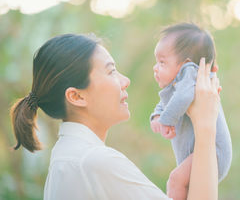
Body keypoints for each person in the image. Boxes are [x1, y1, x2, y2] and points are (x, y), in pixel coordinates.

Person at [10, 33, 221, 200]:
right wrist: (205, 126)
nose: (125, 80)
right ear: (76, 96)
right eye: (111, 72)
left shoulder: (68, 156)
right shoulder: (95, 162)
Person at [150, 23, 232, 200]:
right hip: (200, 151)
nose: (155, 68)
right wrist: (157, 116)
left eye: (162, 62)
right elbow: (166, 102)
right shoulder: (177, 86)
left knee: (175, 180)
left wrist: (166, 120)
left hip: (214, 152)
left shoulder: (190, 74)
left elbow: (182, 97)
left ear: (186, 64)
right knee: (185, 187)